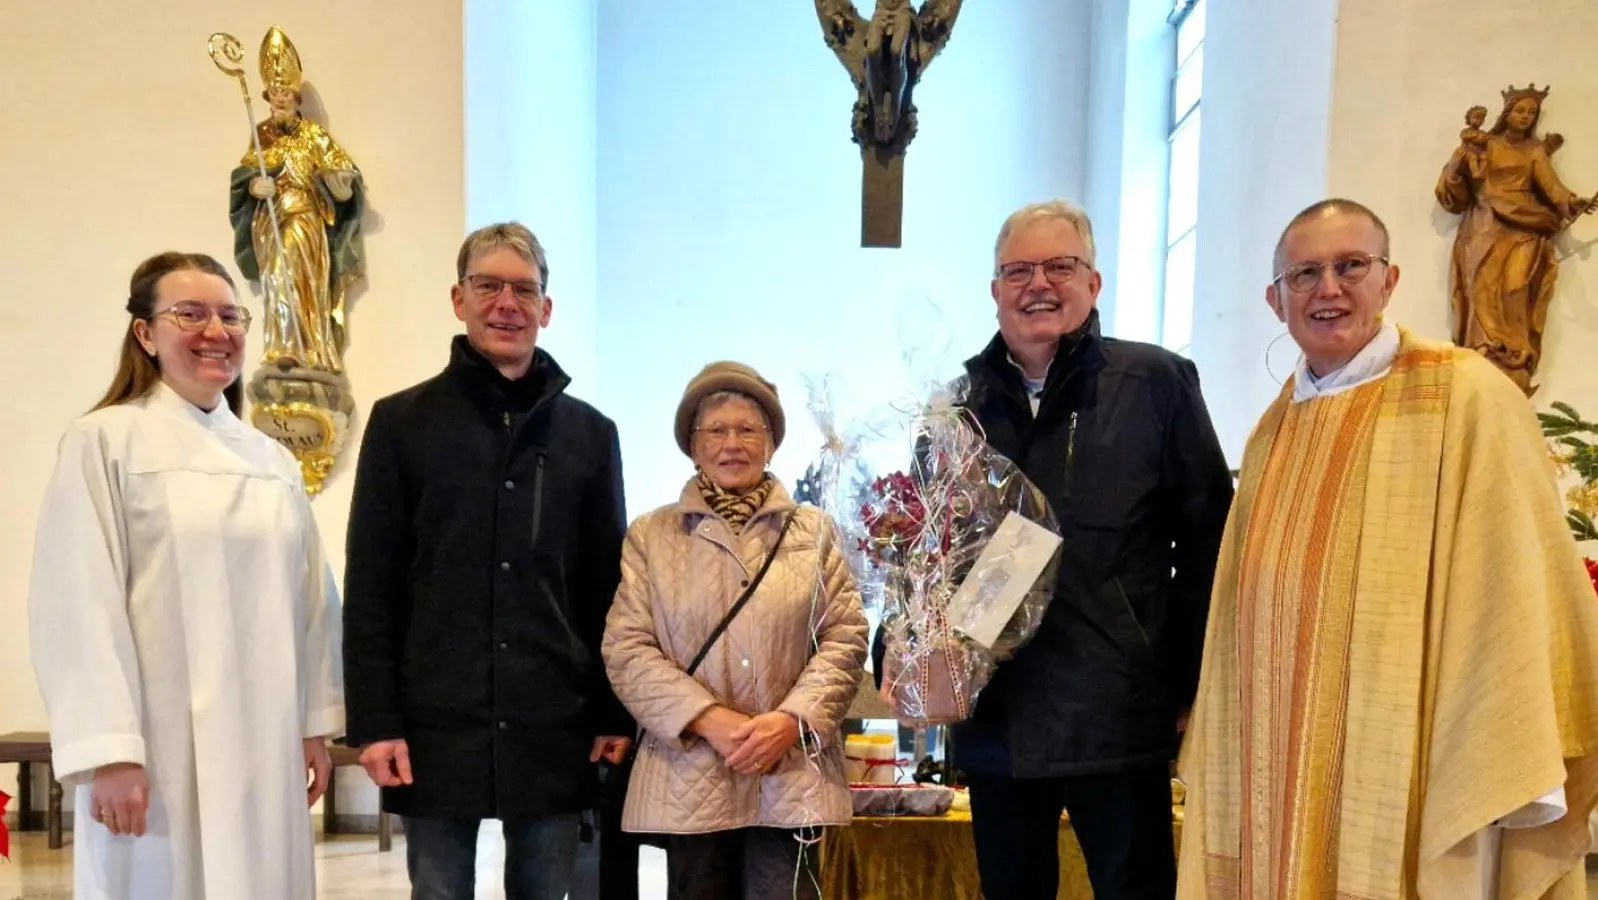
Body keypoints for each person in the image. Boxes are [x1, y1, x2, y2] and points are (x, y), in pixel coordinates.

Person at [1176, 199, 1598, 899]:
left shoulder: (1465, 394)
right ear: (1275, 300)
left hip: (1411, 748)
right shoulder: (1275, 428)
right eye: (1305, 274)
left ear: (1389, 279)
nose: (1329, 289)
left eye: (1351, 266)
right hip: (1276, 757)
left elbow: (1516, 588)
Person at [888, 198, 1234, 899]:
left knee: (1133, 888)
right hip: (998, 714)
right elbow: (917, 553)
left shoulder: (1155, 384)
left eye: (1059, 266)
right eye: (1018, 270)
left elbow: (1208, 543)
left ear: (1093, 282)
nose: (1037, 284)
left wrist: (1185, 682)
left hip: (1117, 710)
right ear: (994, 292)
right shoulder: (955, 405)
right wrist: (902, 648)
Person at [27, 251, 343, 899]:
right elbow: (78, 604)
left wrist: (313, 724)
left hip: (263, 747)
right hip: (157, 749)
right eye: (190, 314)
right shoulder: (106, 442)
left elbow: (313, 603)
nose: (215, 331)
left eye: (231, 316)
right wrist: (110, 752)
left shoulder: (272, 462)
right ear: (146, 333)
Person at [342, 222, 633, 900]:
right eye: (489, 286)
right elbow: (373, 585)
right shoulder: (401, 423)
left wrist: (612, 712)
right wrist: (377, 721)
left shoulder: (590, 435)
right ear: (458, 298)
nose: (507, 303)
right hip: (437, 714)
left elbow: (607, 588)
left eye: (524, 290)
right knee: (439, 892)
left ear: (546, 309)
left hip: (552, 714)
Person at [602, 362, 868, 900]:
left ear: (771, 442)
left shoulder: (813, 532)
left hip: (789, 773)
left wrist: (792, 721)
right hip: (691, 773)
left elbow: (845, 637)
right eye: (715, 430)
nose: (732, 443)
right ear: (692, 445)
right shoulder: (653, 536)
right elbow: (627, 648)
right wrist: (709, 720)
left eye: (748, 429)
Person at [1434, 84, 1596, 395]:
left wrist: (1572, 203)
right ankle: (1485, 347)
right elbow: (1454, 190)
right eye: (1520, 110)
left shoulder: (1534, 151)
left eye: (1531, 113)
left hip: (1525, 226)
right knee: (1482, 284)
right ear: (1507, 113)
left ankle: (1516, 353)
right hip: (1486, 225)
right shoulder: (1485, 145)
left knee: (1516, 285)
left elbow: (1552, 189)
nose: (1524, 116)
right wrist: (1459, 164)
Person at [228, 25, 365, 374]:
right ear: (267, 97)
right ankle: (281, 345)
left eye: (286, 91)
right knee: (276, 278)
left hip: (305, 218)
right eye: (274, 92)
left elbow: (342, 173)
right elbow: (245, 178)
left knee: (301, 280)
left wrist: (340, 185)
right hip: (270, 220)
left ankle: (310, 347)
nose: (280, 97)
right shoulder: (261, 135)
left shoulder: (314, 135)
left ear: (296, 96)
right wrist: (254, 188)